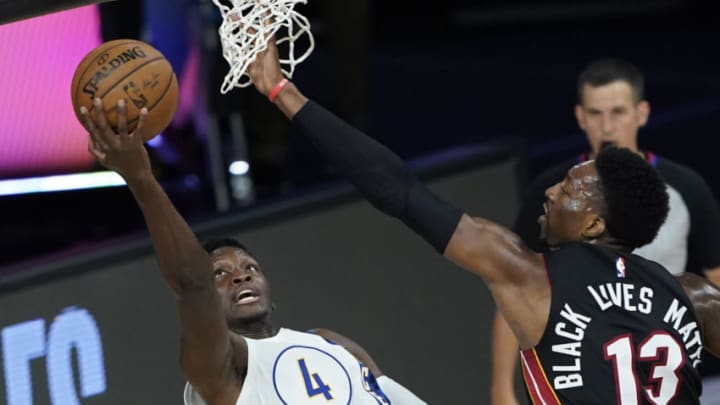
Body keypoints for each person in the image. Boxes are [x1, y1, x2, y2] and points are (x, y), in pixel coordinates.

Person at [247, 40, 720, 403]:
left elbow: (401, 192)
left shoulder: (533, 276)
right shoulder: (692, 295)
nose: (554, 190)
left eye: (572, 190)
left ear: (595, 226)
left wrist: (281, 92)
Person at [79, 99, 427, 405]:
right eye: (221, 273)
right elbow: (192, 283)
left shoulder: (333, 344)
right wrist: (141, 178)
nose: (240, 275)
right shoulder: (223, 369)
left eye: (250, 267)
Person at [491, 59, 720, 405]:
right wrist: (501, 389)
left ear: (642, 113)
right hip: (583, 380)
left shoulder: (687, 188)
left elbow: (716, 281)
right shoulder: (554, 198)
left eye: (618, 112)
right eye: (596, 114)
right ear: (581, 118)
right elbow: (514, 283)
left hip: (665, 377)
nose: (608, 126)